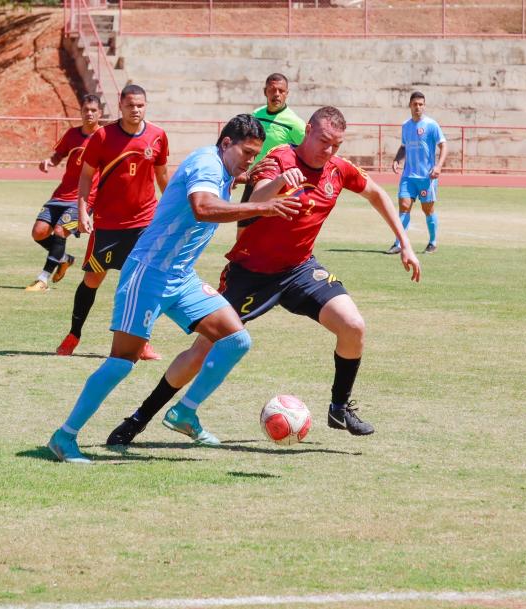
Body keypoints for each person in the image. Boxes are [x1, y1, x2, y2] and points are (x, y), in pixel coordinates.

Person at [105, 106, 422, 447]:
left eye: (336, 145)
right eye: (323, 141)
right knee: (203, 350)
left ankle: (339, 408)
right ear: (308, 131)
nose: (328, 150)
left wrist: (405, 244)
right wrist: (281, 183)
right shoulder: (279, 158)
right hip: (249, 273)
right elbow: (255, 199)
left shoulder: (338, 169)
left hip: (299, 269)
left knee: (353, 326)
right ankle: (140, 419)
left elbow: (376, 192)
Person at [46, 114, 302, 463]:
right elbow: (202, 207)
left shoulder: (224, 167)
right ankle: (65, 436)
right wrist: (263, 207)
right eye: (247, 153)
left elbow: (233, 187)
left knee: (236, 340)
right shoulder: (206, 163)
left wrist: (262, 179)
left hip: (181, 277)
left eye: (255, 155)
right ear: (227, 143)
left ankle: (184, 412)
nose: (250, 160)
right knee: (122, 362)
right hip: (148, 274)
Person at [54, 85, 169, 360]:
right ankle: (73, 335)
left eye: (140, 105)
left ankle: (141, 342)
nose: (135, 110)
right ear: (120, 106)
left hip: (144, 224)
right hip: (108, 224)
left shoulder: (158, 136)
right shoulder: (103, 136)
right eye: (130, 105)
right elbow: (86, 176)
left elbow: (163, 176)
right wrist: (83, 211)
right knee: (93, 279)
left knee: (143, 284)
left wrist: (172, 210)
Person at [25, 94, 104, 292]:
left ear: (100, 113)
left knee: (60, 231)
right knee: (39, 232)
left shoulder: (106, 137)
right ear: (81, 112)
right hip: (61, 194)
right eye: (86, 110)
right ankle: (63, 258)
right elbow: (59, 154)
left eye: (93, 110)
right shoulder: (72, 134)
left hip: (84, 198)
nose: (89, 113)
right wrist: (49, 162)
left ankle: (43, 279)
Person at [236, 73, 305, 234]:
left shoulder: (295, 124)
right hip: (253, 180)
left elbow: (307, 152)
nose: (276, 94)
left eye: (281, 90)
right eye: (272, 90)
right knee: (242, 231)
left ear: (287, 93)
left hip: (277, 185)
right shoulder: (255, 115)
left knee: (271, 234)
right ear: (265, 91)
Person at [387, 91, 447, 255]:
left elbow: (443, 145)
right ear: (410, 105)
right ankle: (399, 243)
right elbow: (404, 146)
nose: (418, 107)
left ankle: (433, 242)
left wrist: (438, 166)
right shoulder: (406, 125)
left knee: (428, 210)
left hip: (427, 177)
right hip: (408, 176)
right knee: (404, 207)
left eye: (421, 104)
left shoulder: (431, 125)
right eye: (415, 104)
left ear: (424, 106)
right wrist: (397, 159)